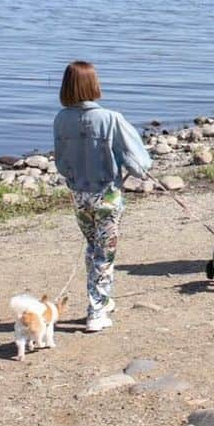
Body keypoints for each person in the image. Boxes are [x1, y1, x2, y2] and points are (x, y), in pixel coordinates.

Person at [53, 60, 151, 332]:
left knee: (93, 248)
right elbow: (140, 163)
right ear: (94, 84)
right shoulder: (111, 118)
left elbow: (60, 162)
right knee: (104, 254)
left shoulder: (61, 119)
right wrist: (134, 169)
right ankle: (96, 310)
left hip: (79, 196)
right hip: (107, 195)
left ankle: (102, 301)